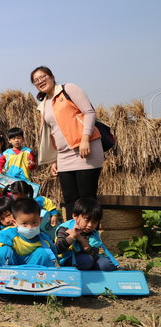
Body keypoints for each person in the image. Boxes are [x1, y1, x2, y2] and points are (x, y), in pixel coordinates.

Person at [31, 66, 104, 217]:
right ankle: (74, 237)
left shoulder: (68, 89)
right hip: (64, 156)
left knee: (86, 198)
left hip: (85, 149)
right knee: (70, 199)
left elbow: (89, 112)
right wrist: (54, 159)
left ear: (52, 76)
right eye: (36, 80)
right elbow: (53, 133)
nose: (40, 81)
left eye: (43, 76)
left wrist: (85, 138)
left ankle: (90, 238)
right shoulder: (44, 104)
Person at [0, 198, 57, 272]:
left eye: (34, 222)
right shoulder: (9, 233)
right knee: (2, 251)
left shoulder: (44, 239)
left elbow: (54, 256)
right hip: (11, 269)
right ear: (15, 222)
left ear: (40, 220)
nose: (29, 227)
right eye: (24, 223)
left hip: (34, 273)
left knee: (44, 252)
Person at [55, 198, 117, 271]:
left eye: (94, 221)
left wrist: (82, 240)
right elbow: (57, 250)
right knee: (86, 261)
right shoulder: (65, 228)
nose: (90, 225)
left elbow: (94, 255)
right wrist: (72, 236)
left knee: (106, 264)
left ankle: (89, 272)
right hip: (67, 259)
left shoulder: (93, 233)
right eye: (87, 220)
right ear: (75, 216)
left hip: (88, 258)